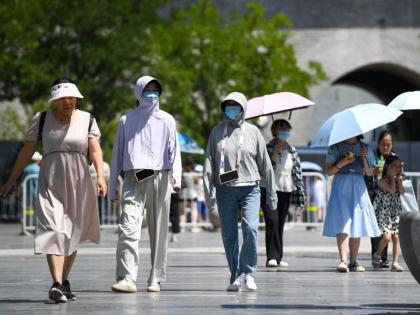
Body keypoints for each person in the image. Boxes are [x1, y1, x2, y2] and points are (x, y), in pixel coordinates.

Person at [0, 78, 107, 303]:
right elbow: (27, 151)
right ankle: (56, 283)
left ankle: (63, 282)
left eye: (72, 97)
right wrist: (11, 179)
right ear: (55, 100)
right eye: (62, 98)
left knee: (72, 233)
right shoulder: (42, 119)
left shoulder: (88, 119)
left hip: (79, 180)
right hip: (50, 180)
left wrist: (101, 176)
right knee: (52, 228)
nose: (68, 101)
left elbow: (95, 150)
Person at [109, 75, 182, 293]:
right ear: (138, 91)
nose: (152, 94)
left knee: (159, 231)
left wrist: (175, 179)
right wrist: (113, 187)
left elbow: (175, 151)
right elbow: (116, 156)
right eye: (147, 89)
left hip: (161, 177)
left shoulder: (168, 120)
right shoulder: (126, 120)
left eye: (155, 90)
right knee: (128, 227)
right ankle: (127, 277)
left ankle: (155, 277)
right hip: (133, 178)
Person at [204, 92, 277, 291]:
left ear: (243, 108)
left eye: (236, 106)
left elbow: (265, 164)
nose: (232, 109)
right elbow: (209, 163)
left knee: (251, 229)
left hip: (250, 188)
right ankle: (236, 275)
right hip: (224, 189)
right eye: (228, 106)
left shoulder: (253, 132)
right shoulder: (217, 132)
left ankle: (249, 272)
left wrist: (271, 194)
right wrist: (209, 195)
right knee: (229, 235)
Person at [322, 135, 381, 273]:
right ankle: (343, 260)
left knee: (357, 222)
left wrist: (365, 157)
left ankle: (353, 261)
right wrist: (342, 163)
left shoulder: (365, 147)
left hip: (358, 184)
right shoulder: (335, 147)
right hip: (341, 184)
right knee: (343, 222)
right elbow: (329, 171)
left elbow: (370, 172)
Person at [260, 119, 305, 268]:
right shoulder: (267, 148)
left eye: (287, 128)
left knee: (280, 224)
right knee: (272, 221)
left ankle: (278, 257)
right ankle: (271, 257)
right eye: (281, 128)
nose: (285, 131)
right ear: (274, 131)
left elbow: (297, 175)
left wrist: (300, 198)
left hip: (286, 190)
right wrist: (273, 156)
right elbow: (261, 170)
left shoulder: (293, 151)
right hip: (269, 190)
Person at [366, 130, 395, 268]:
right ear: (378, 144)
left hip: (389, 200)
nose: (385, 147)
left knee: (387, 230)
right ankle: (376, 255)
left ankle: (383, 256)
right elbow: (368, 175)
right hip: (375, 197)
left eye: (388, 144)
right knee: (376, 229)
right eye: (383, 144)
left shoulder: (394, 158)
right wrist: (375, 172)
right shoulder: (373, 156)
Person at [372, 155, 405, 272]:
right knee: (387, 237)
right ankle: (377, 254)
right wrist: (391, 177)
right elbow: (391, 190)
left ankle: (395, 262)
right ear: (387, 167)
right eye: (394, 166)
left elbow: (401, 192)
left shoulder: (399, 179)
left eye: (399, 166)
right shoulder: (381, 181)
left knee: (396, 237)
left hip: (395, 212)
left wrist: (399, 179)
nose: (397, 168)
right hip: (384, 213)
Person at [180, 159, 200, 232]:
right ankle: (193, 226)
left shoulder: (182, 173)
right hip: (191, 192)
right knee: (192, 209)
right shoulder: (194, 174)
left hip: (185, 193)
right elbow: (197, 183)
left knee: (183, 210)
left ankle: (183, 226)